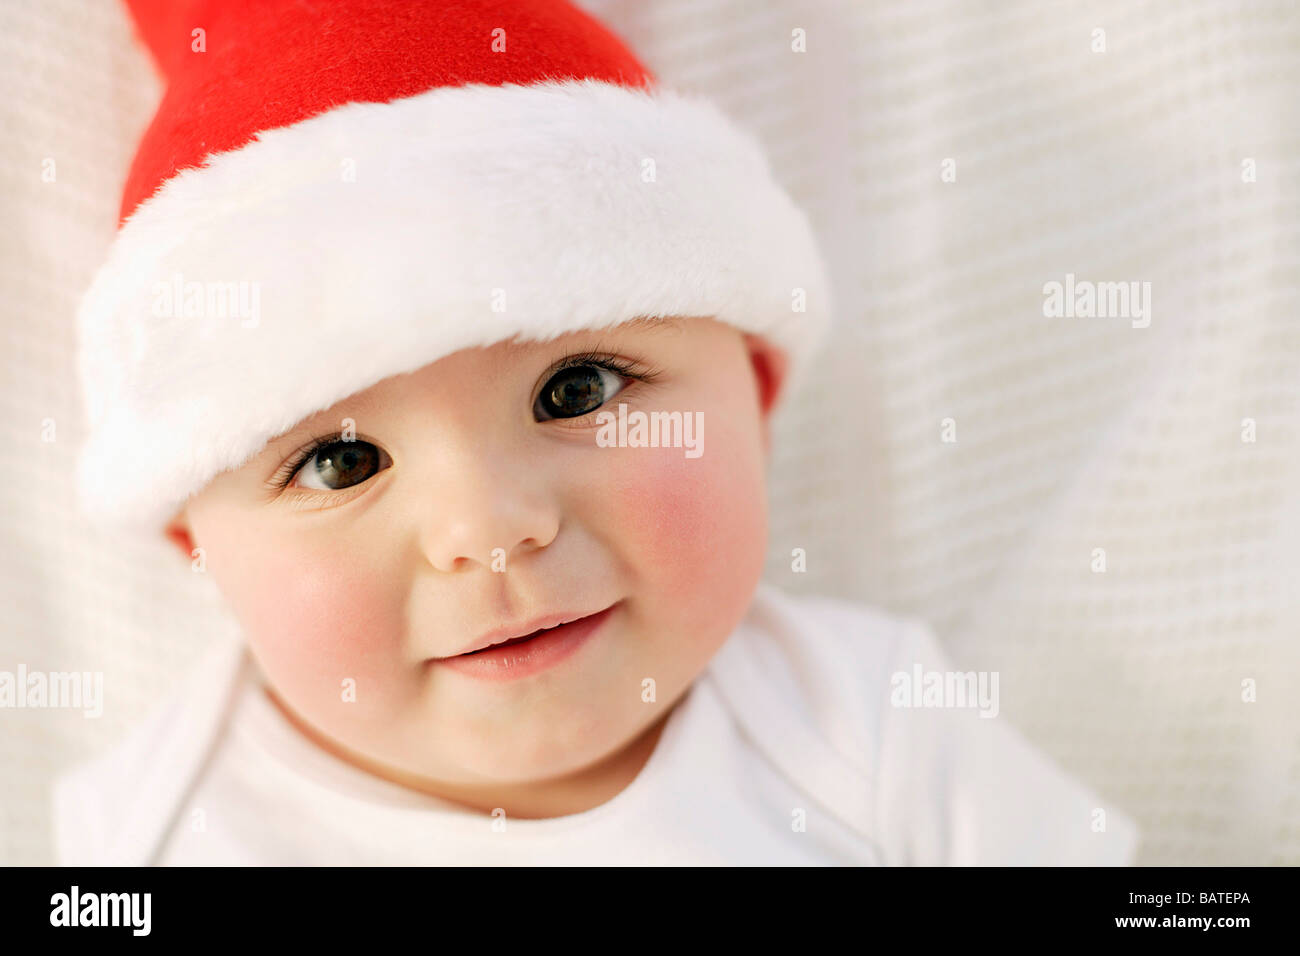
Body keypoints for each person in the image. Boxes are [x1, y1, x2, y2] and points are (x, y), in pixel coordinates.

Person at [52, 0, 1138, 865]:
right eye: (340, 461)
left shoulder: (874, 728)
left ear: (752, 392)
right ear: (195, 538)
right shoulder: (144, 837)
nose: (489, 529)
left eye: (575, 390)